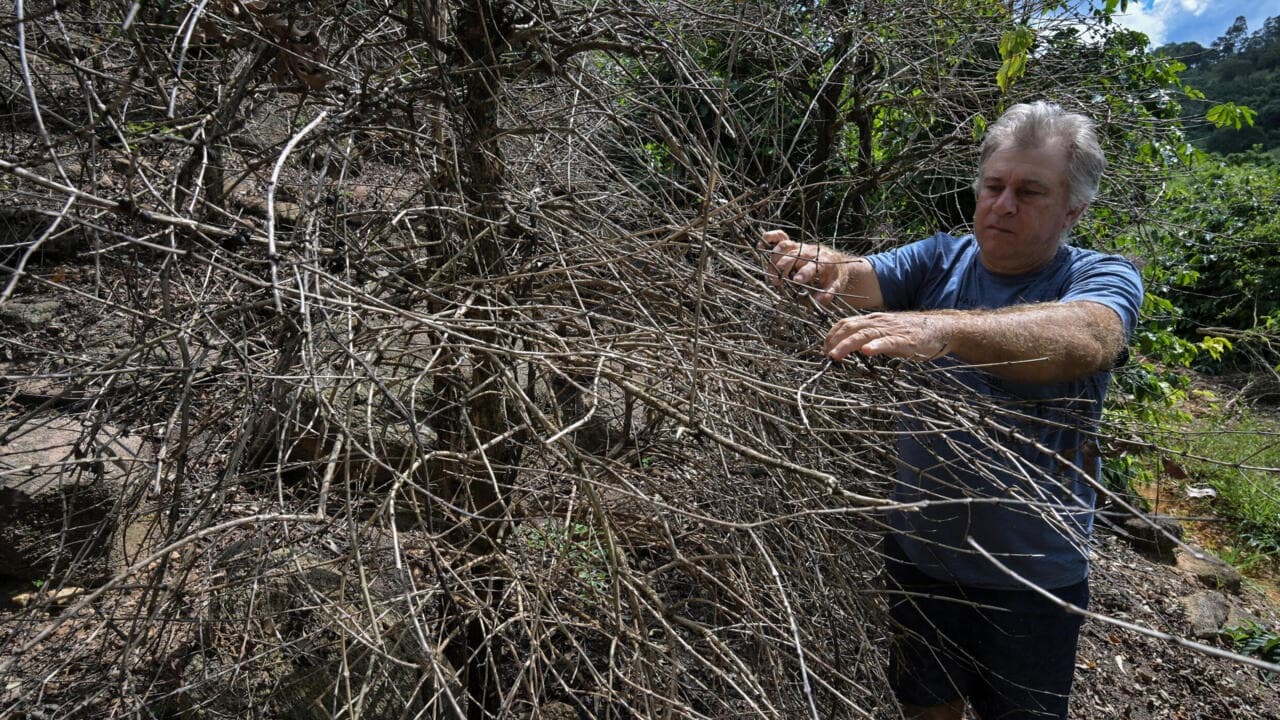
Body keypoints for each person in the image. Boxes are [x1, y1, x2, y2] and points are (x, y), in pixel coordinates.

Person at [759, 101, 1143, 720]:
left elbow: (1088, 337)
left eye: (1030, 191)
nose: (1004, 204)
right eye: (994, 186)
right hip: (921, 555)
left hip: (1032, 577)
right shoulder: (942, 256)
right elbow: (862, 277)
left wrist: (945, 328)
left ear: (1074, 209)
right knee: (926, 706)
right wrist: (813, 263)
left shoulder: (1100, 276)